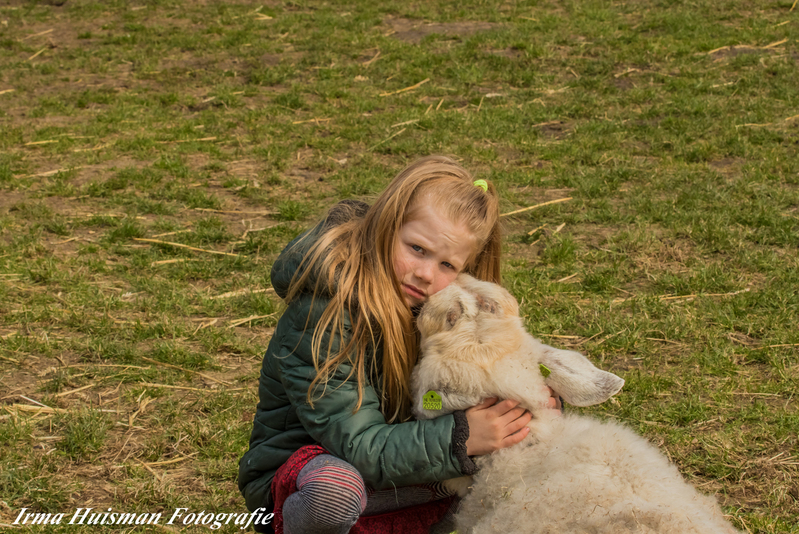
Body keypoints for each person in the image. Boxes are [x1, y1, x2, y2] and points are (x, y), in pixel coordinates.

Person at [238, 155, 561, 534]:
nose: (425, 274)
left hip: (397, 469)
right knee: (335, 491)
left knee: (508, 467)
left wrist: (520, 405)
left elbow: (433, 401)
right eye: (417, 249)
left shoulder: (439, 313)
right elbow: (358, 442)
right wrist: (460, 437)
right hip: (308, 474)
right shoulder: (323, 314)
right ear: (387, 225)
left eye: (447, 265)